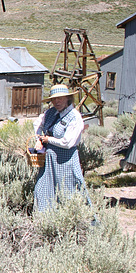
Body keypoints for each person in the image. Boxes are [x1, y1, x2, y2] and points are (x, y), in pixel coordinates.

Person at [33, 84, 89, 212]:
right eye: (54, 99)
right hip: (49, 160)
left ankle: (74, 221)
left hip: (66, 160)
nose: (57, 102)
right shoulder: (50, 112)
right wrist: (39, 140)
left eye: (60, 98)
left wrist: (48, 140)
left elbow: (67, 142)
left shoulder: (74, 116)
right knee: (43, 188)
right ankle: (44, 218)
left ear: (67, 99)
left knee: (68, 191)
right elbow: (37, 124)